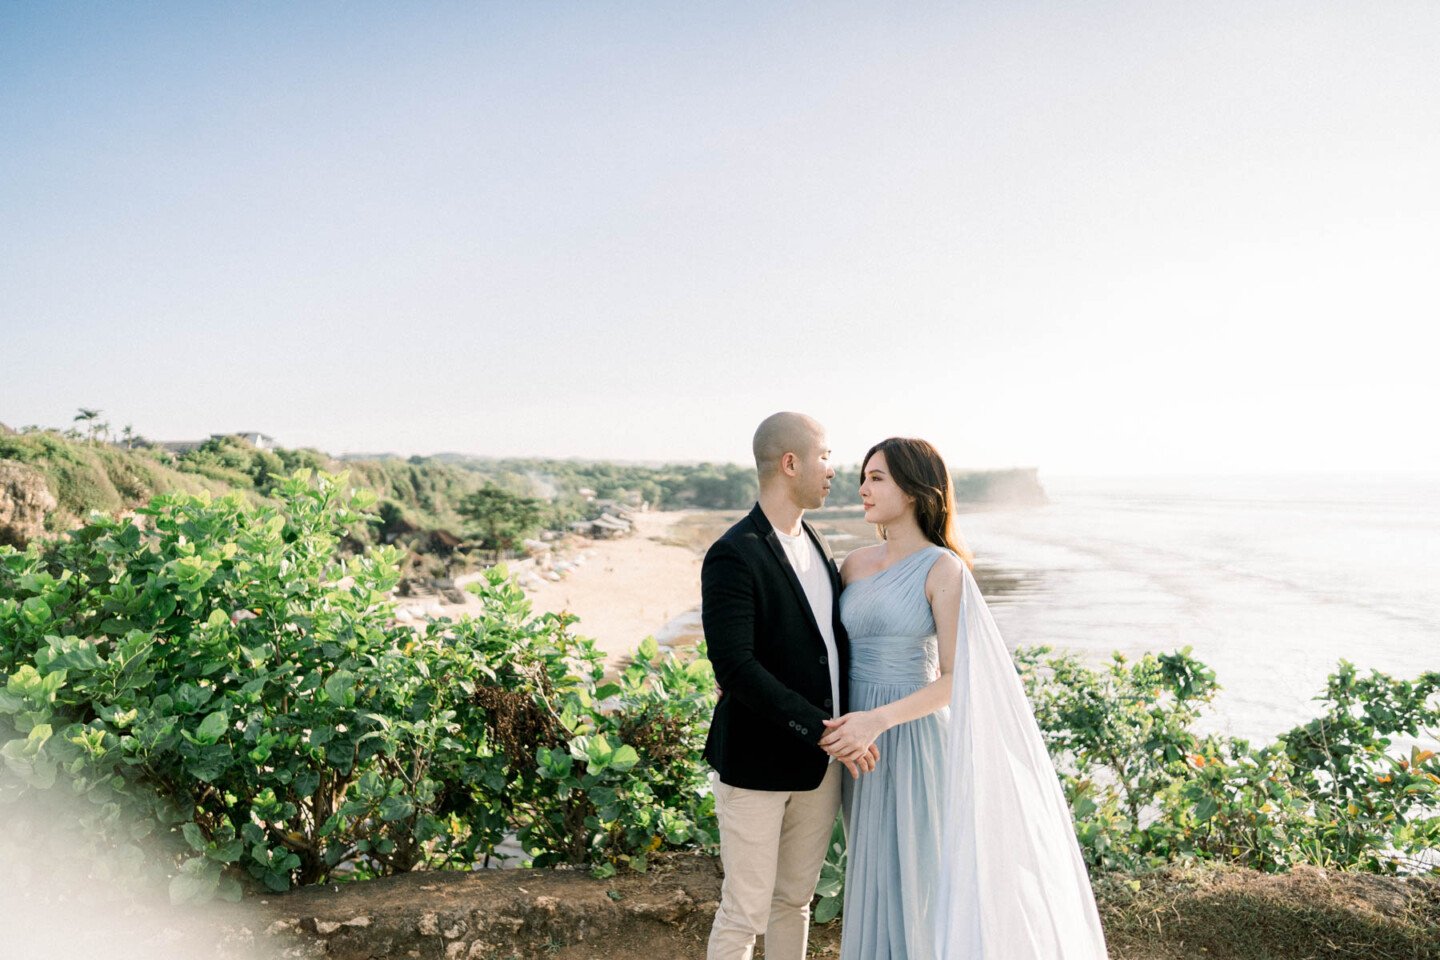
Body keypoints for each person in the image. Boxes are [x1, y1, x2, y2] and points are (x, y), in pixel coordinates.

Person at [820, 437, 1108, 960]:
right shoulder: (852, 565)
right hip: (856, 745)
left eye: (877, 477)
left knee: (918, 880)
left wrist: (876, 721)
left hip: (909, 737)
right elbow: (823, 650)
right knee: (872, 872)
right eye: (862, 476)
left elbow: (956, 678)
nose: (862, 488)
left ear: (912, 488)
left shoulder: (943, 569)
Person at [702, 412, 879, 960]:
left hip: (820, 767)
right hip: (757, 765)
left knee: (794, 901)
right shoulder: (734, 553)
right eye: (826, 456)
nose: (834, 469)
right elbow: (736, 667)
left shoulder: (818, 545)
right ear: (790, 463)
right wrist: (820, 729)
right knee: (745, 909)